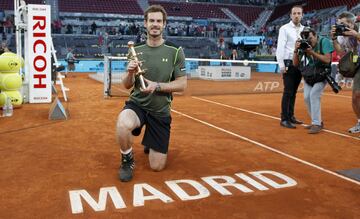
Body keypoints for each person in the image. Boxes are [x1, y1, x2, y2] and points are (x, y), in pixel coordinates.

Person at [116, 5, 187, 182]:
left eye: (159, 21)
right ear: (145, 24)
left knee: (157, 167)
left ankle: (150, 140)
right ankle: (127, 160)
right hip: (138, 105)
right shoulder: (135, 50)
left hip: (160, 111)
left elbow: (182, 84)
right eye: (152, 21)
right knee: (123, 123)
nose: (155, 24)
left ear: (164, 24)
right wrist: (130, 72)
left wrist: (157, 86)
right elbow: (126, 85)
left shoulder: (175, 51)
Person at [293, 28, 333, 134]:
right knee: (306, 97)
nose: (309, 40)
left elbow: (328, 59)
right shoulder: (304, 44)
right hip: (310, 75)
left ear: (315, 35)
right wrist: (296, 50)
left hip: (322, 74)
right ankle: (317, 121)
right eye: (306, 38)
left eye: (310, 38)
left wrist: (312, 53)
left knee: (314, 95)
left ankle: (316, 124)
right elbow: (295, 64)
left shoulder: (324, 42)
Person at [330, 12, 360, 134]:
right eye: (339, 23)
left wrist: (356, 35)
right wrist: (334, 39)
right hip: (357, 64)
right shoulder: (341, 34)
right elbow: (341, 52)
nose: (340, 26)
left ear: (351, 23)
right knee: (356, 96)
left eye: (343, 24)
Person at [276, 5, 305, 129]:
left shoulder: (305, 29)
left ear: (302, 15)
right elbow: (280, 48)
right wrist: (281, 65)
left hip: (300, 63)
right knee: (288, 91)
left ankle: (291, 116)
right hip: (288, 63)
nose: (297, 15)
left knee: (293, 92)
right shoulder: (284, 28)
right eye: (294, 13)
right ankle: (284, 118)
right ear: (290, 15)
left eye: (299, 13)